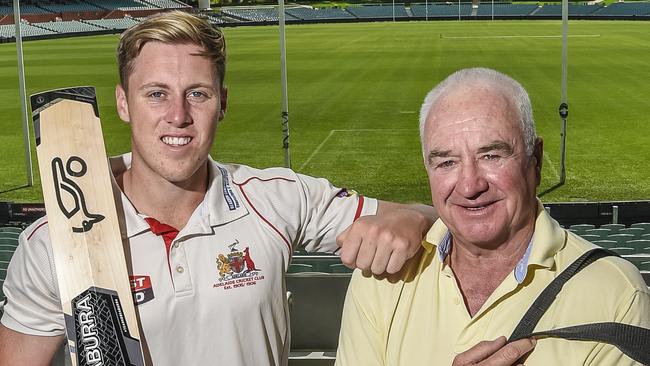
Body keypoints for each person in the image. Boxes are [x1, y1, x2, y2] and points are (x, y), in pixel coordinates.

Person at [0, 11, 436, 366]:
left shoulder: (277, 198)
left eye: (198, 94)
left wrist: (414, 216)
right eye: (156, 94)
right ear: (122, 103)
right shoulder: (54, 243)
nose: (177, 115)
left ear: (222, 103)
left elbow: (431, 218)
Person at [335, 67, 650, 365]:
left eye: (491, 155)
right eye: (446, 163)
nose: (470, 185)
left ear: (535, 161)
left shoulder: (615, 293)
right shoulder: (380, 276)